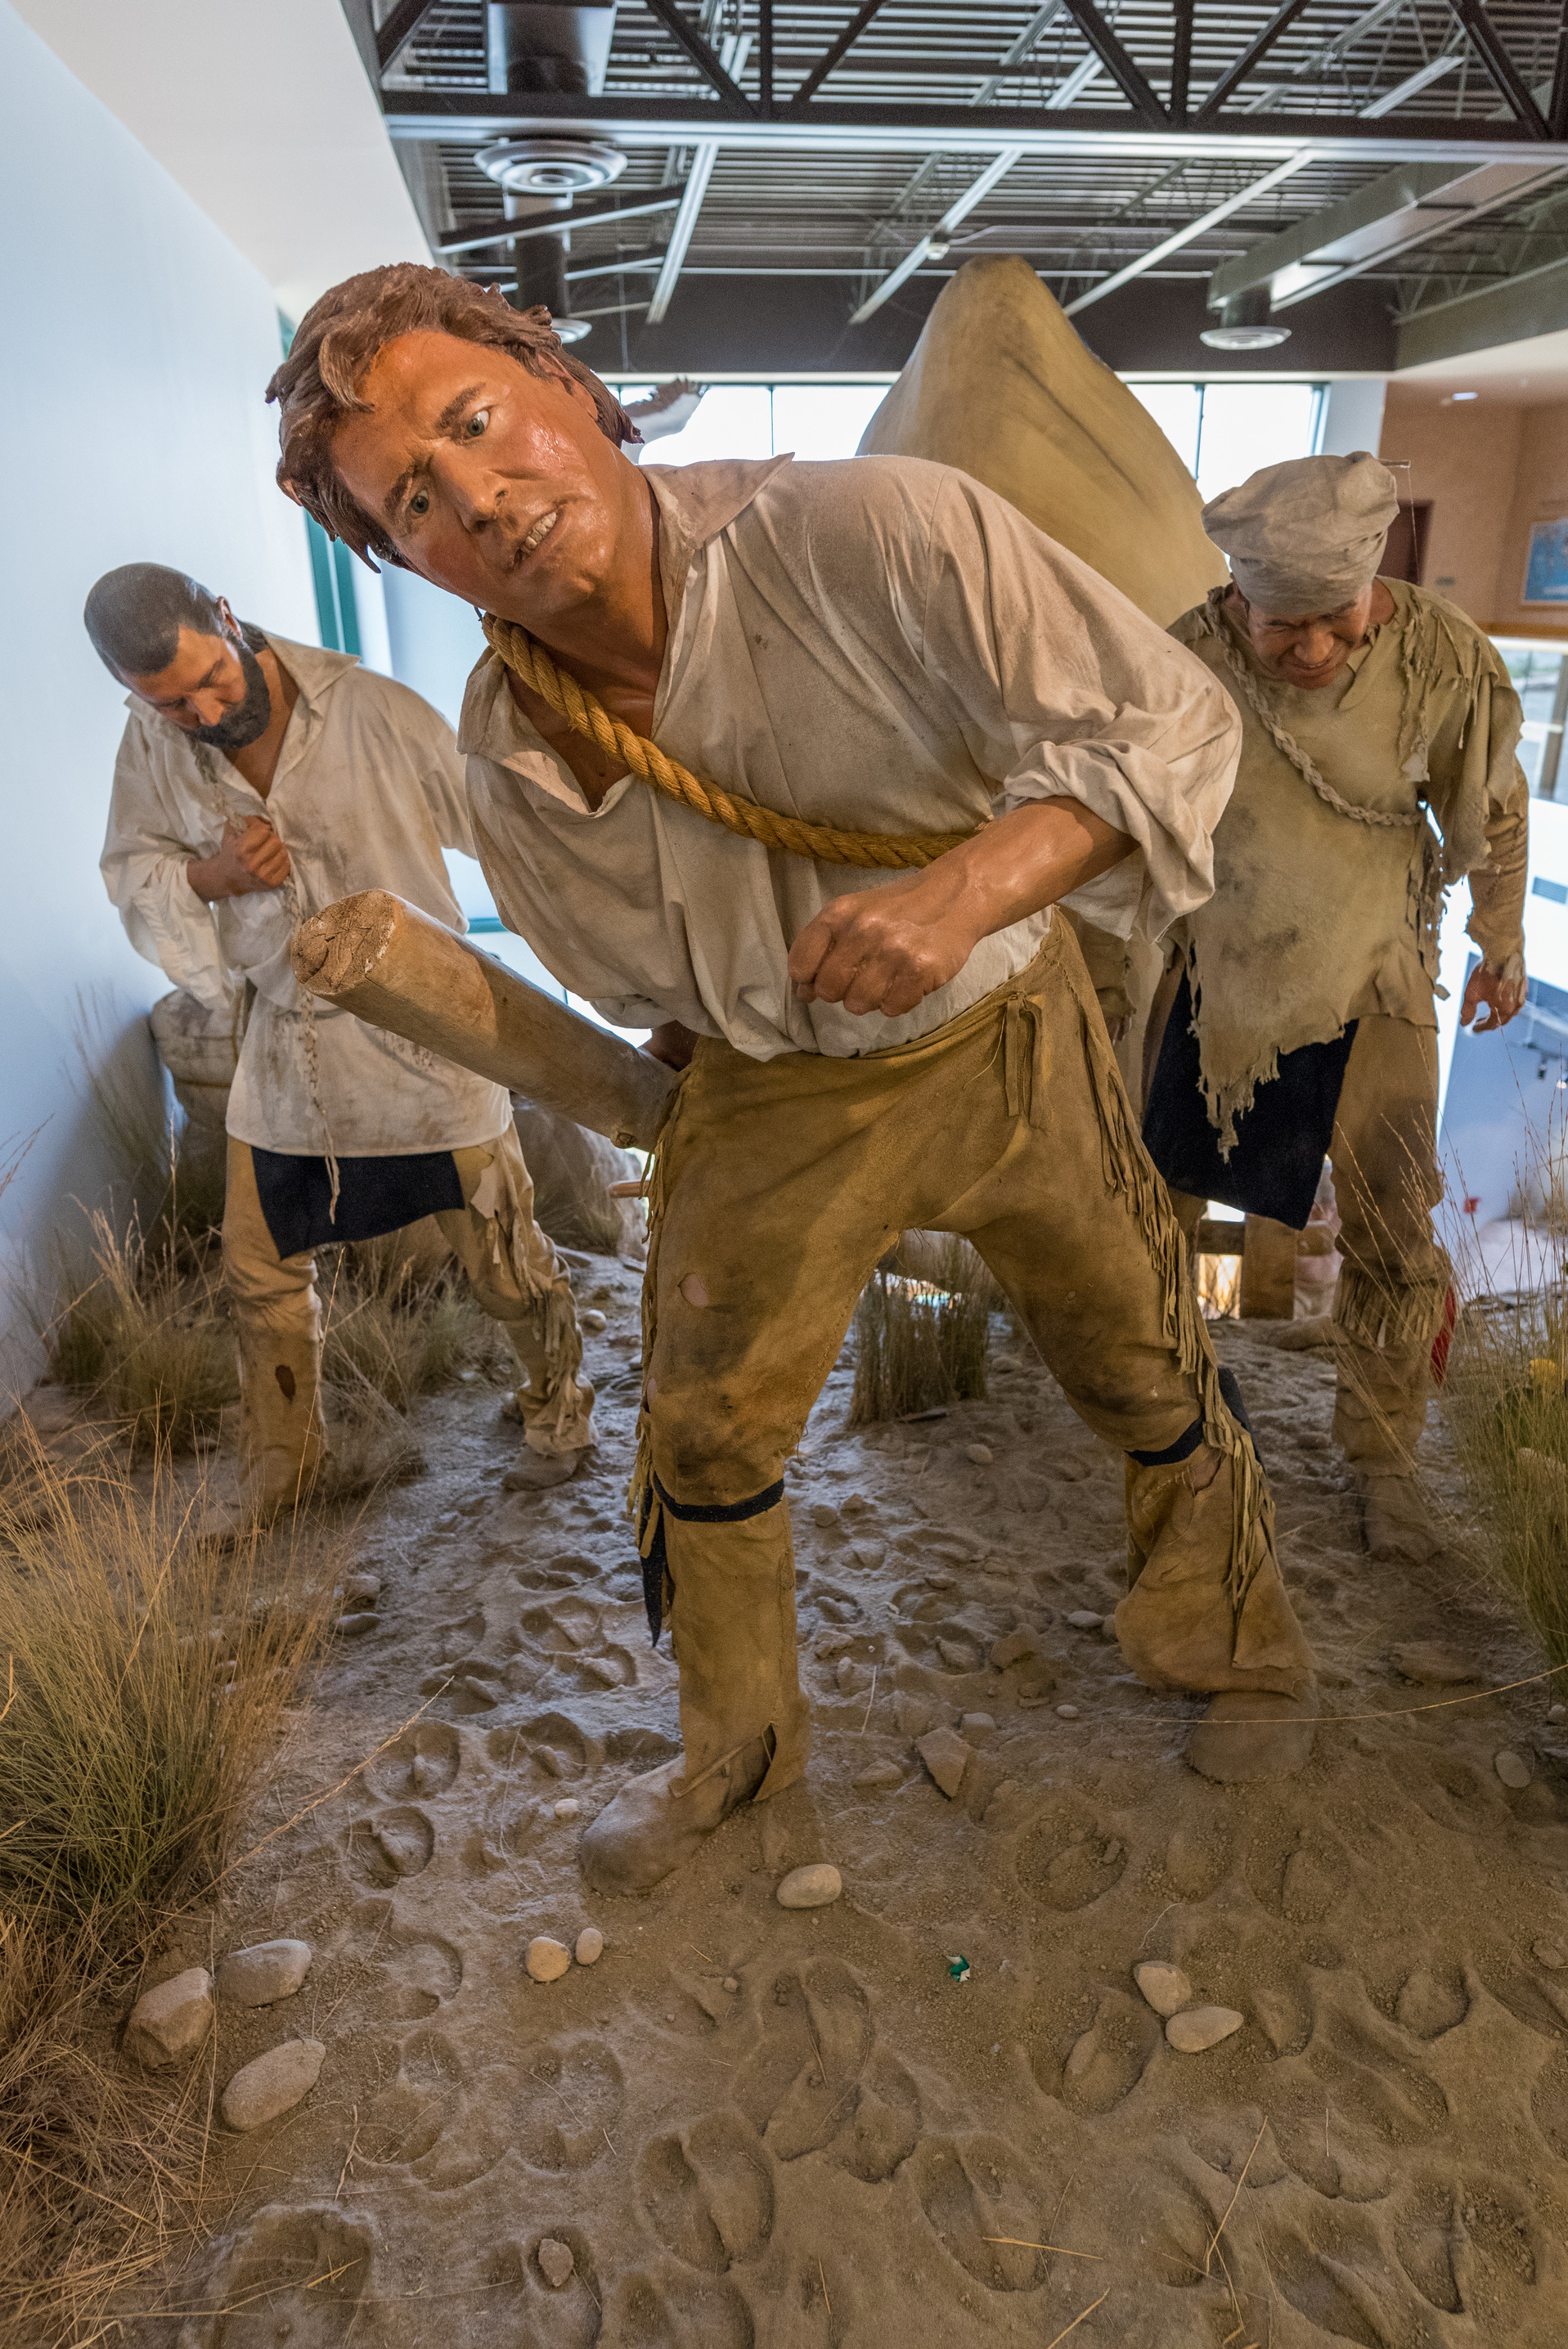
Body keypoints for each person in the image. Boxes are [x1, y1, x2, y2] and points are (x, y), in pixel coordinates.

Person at [265, 263, 1319, 1892]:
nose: (478, 496)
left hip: (1006, 1030)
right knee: (699, 1428)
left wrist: (961, 893)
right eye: (413, 498)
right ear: (396, 553)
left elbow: (1165, 724)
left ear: (570, 389)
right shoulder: (512, 753)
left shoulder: (874, 528)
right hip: (772, 1089)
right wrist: (694, 1103)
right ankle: (737, 1757)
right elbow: (633, 988)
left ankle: (1232, 1634)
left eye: (476, 424)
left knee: (1136, 1350)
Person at [92, 563, 595, 1524]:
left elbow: (504, 827)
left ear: (230, 620)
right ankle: (287, 1467)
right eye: (170, 704)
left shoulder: (371, 712)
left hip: (426, 1042)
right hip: (286, 1049)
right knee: (259, 1265)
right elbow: (134, 867)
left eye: (211, 682)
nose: (199, 713)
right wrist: (210, 874)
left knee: (500, 1256)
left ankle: (558, 1412)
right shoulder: (150, 745)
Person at [1143, 454, 1527, 1564]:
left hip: (1377, 973)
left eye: (1334, 621)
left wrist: (1498, 945)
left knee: (1394, 1233)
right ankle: (1177, 1433)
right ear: (1237, 600)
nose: (1310, 649)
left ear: (1373, 588)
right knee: (1156, 1214)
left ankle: (1381, 1458)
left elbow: (1495, 809)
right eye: (1281, 627)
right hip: (1218, 981)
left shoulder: (1440, 655)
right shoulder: (1180, 658)